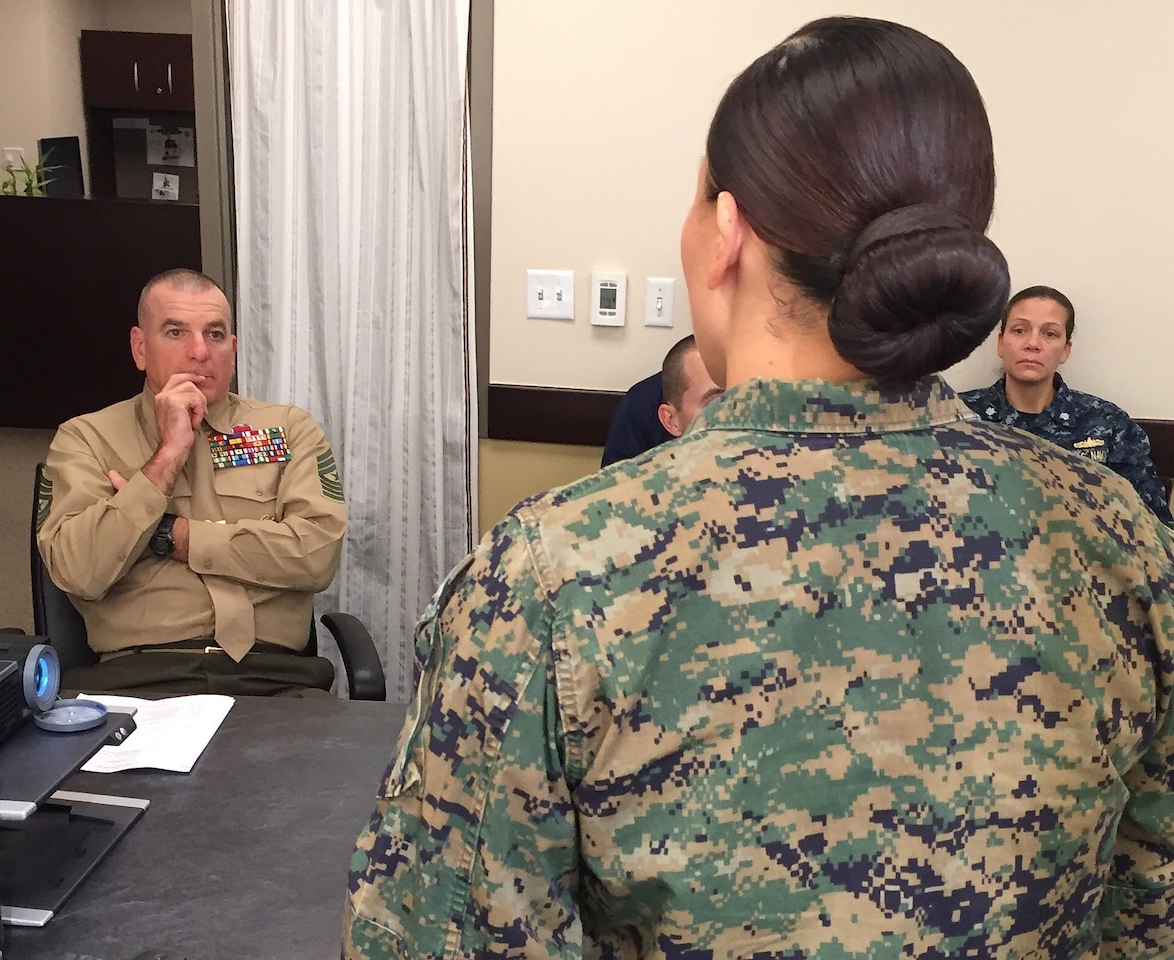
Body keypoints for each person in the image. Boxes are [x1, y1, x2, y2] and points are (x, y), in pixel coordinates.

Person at [346, 16, 1174, 959]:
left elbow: (444, 938)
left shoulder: (556, 573)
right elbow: (1153, 912)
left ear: (724, 235)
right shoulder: (1122, 542)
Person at [38, 268, 346, 696]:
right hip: (140, 677)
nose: (200, 351)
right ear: (140, 348)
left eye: (215, 334)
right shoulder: (86, 439)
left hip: (274, 677)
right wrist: (166, 457)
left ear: (232, 350)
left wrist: (167, 534)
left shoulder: (288, 429)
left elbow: (316, 555)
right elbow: (78, 570)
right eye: (176, 332)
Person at [961, 286, 1173, 524]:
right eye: (1019, 330)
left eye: (1050, 334)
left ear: (1065, 350)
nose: (1032, 343)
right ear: (1000, 343)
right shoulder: (959, 415)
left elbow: (1153, 524)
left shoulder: (1107, 422)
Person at [601, 335, 722, 466]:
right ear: (671, 420)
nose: (737, 410)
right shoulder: (643, 403)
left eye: (746, 397)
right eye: (717, 403)